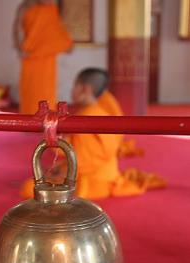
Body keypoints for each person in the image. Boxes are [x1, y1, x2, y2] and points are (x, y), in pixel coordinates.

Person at [20, 68, 166, 199]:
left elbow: (77, 158)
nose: (72, 90)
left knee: (30, 188)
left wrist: (50, 135)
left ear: (85, 89)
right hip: (104, 171)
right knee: (50, 174)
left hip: (94, 180)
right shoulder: (98, 111)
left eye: (74, 86)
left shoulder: (88, 117)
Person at [14, 0, 73, 114]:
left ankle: (48, 121)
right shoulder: (25, 6)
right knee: (31, 93)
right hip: (31, 59)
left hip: (47, 60)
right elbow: (17, 28)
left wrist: (64, 43)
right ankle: (29, 123)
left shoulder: (51, 8)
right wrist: (19, 47)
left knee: (47, 94)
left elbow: (56, 30)